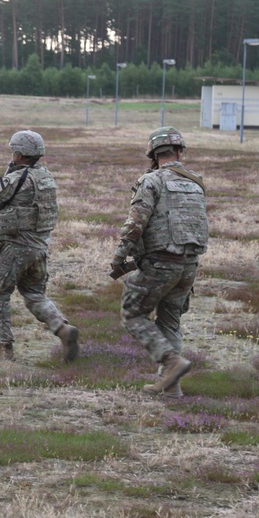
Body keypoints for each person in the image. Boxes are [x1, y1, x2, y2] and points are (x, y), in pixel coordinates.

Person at [108, 127, 208, 398]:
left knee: (133, 313)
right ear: (179, 151)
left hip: (160, 264)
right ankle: (172, 387)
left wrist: (118, 259)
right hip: (189, 266)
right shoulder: (195, 181)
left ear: (152, 155)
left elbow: (135, 225)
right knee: (170, 321)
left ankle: (171, 361)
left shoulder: (151, 181)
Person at [0, 130, 79, 362]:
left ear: (19, 153)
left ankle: (4, 349)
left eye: (14, 151)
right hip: (39, 247)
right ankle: (62, 328)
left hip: (16, 247)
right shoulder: (45, 176)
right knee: (34, 293)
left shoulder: (16, 179)